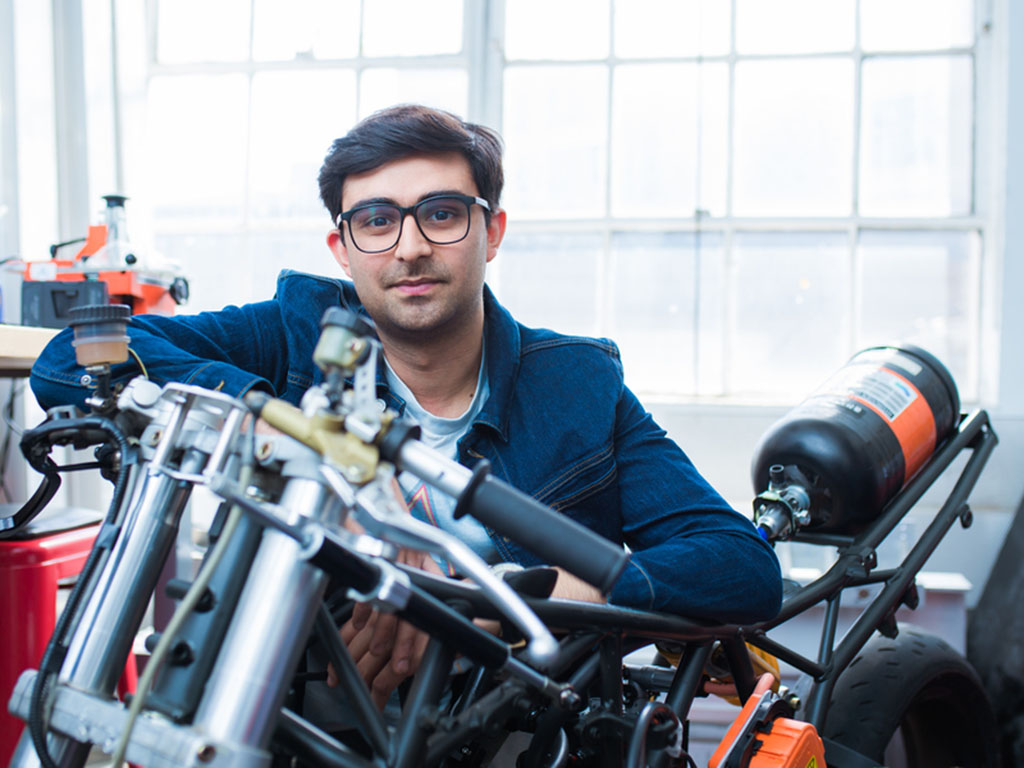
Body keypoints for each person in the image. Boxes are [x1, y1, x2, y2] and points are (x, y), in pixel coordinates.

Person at [30, 104, 782, 708]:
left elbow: (739, 567)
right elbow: (74, 361)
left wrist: (502, 601)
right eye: (378, 220)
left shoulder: (577, 385)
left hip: (511, 718)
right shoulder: (289, 336)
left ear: (492, 232)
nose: (411, 247)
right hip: (287, 707)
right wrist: (298, 440)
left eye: (443, 213)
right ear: (343, 248)